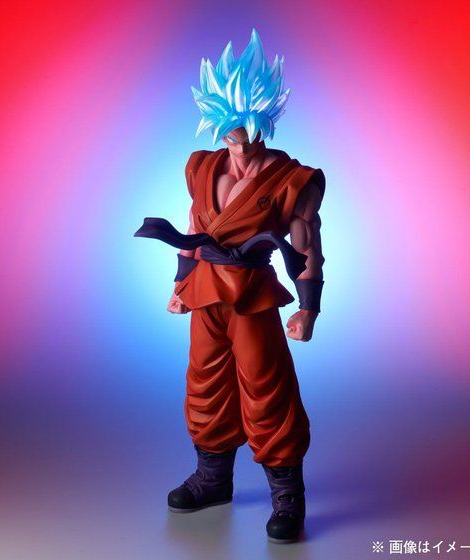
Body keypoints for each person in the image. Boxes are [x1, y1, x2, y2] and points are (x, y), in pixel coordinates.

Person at [134, 28, 325, 544]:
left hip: (251, 296)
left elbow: (307, 246)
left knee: (267, 388)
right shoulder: (202, 167)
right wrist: (180, 284)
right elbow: (191, 228)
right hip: (205, 294)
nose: (237, 142)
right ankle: (213, 480)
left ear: (264, 121)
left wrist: (309, 307)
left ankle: (287, 494)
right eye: (228, 130)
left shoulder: (293, 179)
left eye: (246, 130)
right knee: (205, 385)